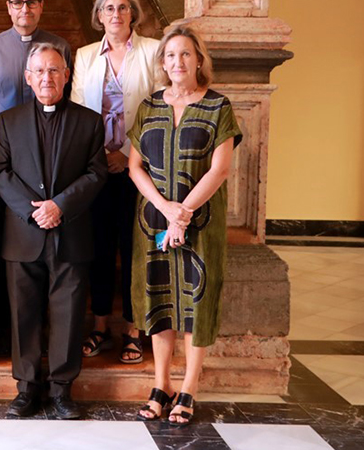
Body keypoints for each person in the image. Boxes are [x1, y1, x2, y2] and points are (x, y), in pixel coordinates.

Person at [130, 24, 241, 426]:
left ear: (199, 60)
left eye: (185, 54)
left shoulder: (218, 106)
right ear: (162, 62)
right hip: (152, 223)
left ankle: (189, 388)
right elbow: (134, 165)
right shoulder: (149, 106)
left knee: (196, 303)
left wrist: (184, 213)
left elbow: (221, 168)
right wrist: (164, 207)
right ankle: (161, 385)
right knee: (159, 302)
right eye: (170, 55)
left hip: (201, 223)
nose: (178, 62)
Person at [0, 43, 106, 420]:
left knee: (69, 313)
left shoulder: (89, 121)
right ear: (27, 78)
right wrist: (34, 211)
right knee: (23, 314)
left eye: (54, 70)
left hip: (70, 231)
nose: (46, 77)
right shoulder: (9, 121)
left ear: (67, 75)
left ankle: (61, 390)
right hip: (23, 234)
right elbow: (0, 173)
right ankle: (26, 388)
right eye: (39, 71)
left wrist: (61, 206)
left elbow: (96, 173)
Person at [0, 0, 71, 357]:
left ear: (42, 6)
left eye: (31, 2)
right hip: (3, 153)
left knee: (48, 242)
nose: (24, 10)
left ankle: (47, 322)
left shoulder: (59, 47)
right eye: (17, 3)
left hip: (50, 156)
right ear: (8, 7)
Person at [71, 0, 161, 364]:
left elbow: (159, 108)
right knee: (100, 249)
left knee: (135, 249)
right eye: (109, 8)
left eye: (123, 8)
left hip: (139, 169)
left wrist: (127, 156)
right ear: (99, 14)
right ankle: (100, 323)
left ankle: (134, 329)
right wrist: (102, 156)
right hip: (95, 169)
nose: (116, 14)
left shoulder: (153, 51)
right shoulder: (85, 55)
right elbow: (77, 108)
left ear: (133, 13)